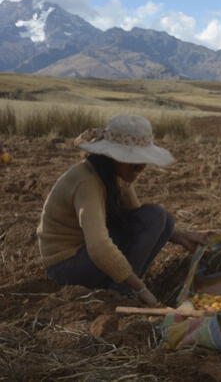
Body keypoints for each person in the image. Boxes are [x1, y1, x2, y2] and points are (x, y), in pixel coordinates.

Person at [37, 114, 208, 306]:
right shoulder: (88, 183)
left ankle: (122, 286)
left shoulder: (113, 175)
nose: (140, 167)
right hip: (66, 266)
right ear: (112, 156)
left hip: (84, 257)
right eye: (133, 161)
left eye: (142, 161)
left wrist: (184, 237)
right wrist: (140, 288)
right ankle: (121, 292)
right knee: (155, 217)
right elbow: (99, 248)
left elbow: (142, 218)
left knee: (162, 218)